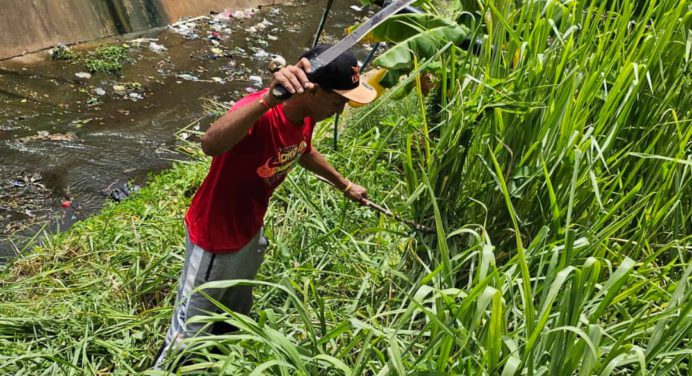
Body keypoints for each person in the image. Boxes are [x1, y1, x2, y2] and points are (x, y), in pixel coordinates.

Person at [154, 45, 377, 368]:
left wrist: (344, 184)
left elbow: (301, 149)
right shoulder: (262, 112)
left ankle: (217, 359)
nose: (340, 111)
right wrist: (269, 98)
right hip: (214, 238)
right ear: (313, 90)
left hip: (249, 231)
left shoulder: (304, 116)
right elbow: (210, 144)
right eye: (338, 101)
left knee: (234, 311)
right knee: (187, 331)